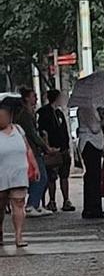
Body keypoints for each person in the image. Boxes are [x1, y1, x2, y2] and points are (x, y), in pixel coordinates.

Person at [0, 101, 37, 248]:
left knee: (19, 203)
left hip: (19, 171)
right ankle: (0, 231)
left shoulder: (19, 130)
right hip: (1, 173)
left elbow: (27, 149)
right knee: (1, 206)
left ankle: (19, 236)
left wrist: (34, 166)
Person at [15, 87, 50, 216]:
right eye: (33, 96)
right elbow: (32, 134)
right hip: (31, 150)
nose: (35, 98)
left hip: (34, 149)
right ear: (27, 98)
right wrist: (46, 146)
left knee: (41, 177)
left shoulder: (31, 113)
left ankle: (35, 204)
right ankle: (31, 204)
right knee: (39, 177)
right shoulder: (24, 115)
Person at [37, 89, 74, 212]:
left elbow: (64, 130)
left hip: (63, 148)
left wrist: (67, 147)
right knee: (51, 176)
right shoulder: (44, 113)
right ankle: (52, 200)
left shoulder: (59, 113)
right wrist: (48, 147)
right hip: (52, 149)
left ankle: (66, 200)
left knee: (64, 175)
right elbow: (43, 132)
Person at [78, 105, 104, 219]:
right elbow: (95, 128)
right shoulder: (86, 109)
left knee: (94, 176)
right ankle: (93, 208)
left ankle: (94, 207)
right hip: (90, 144)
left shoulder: (91, 109)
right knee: (93, 176)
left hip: (93, 144)